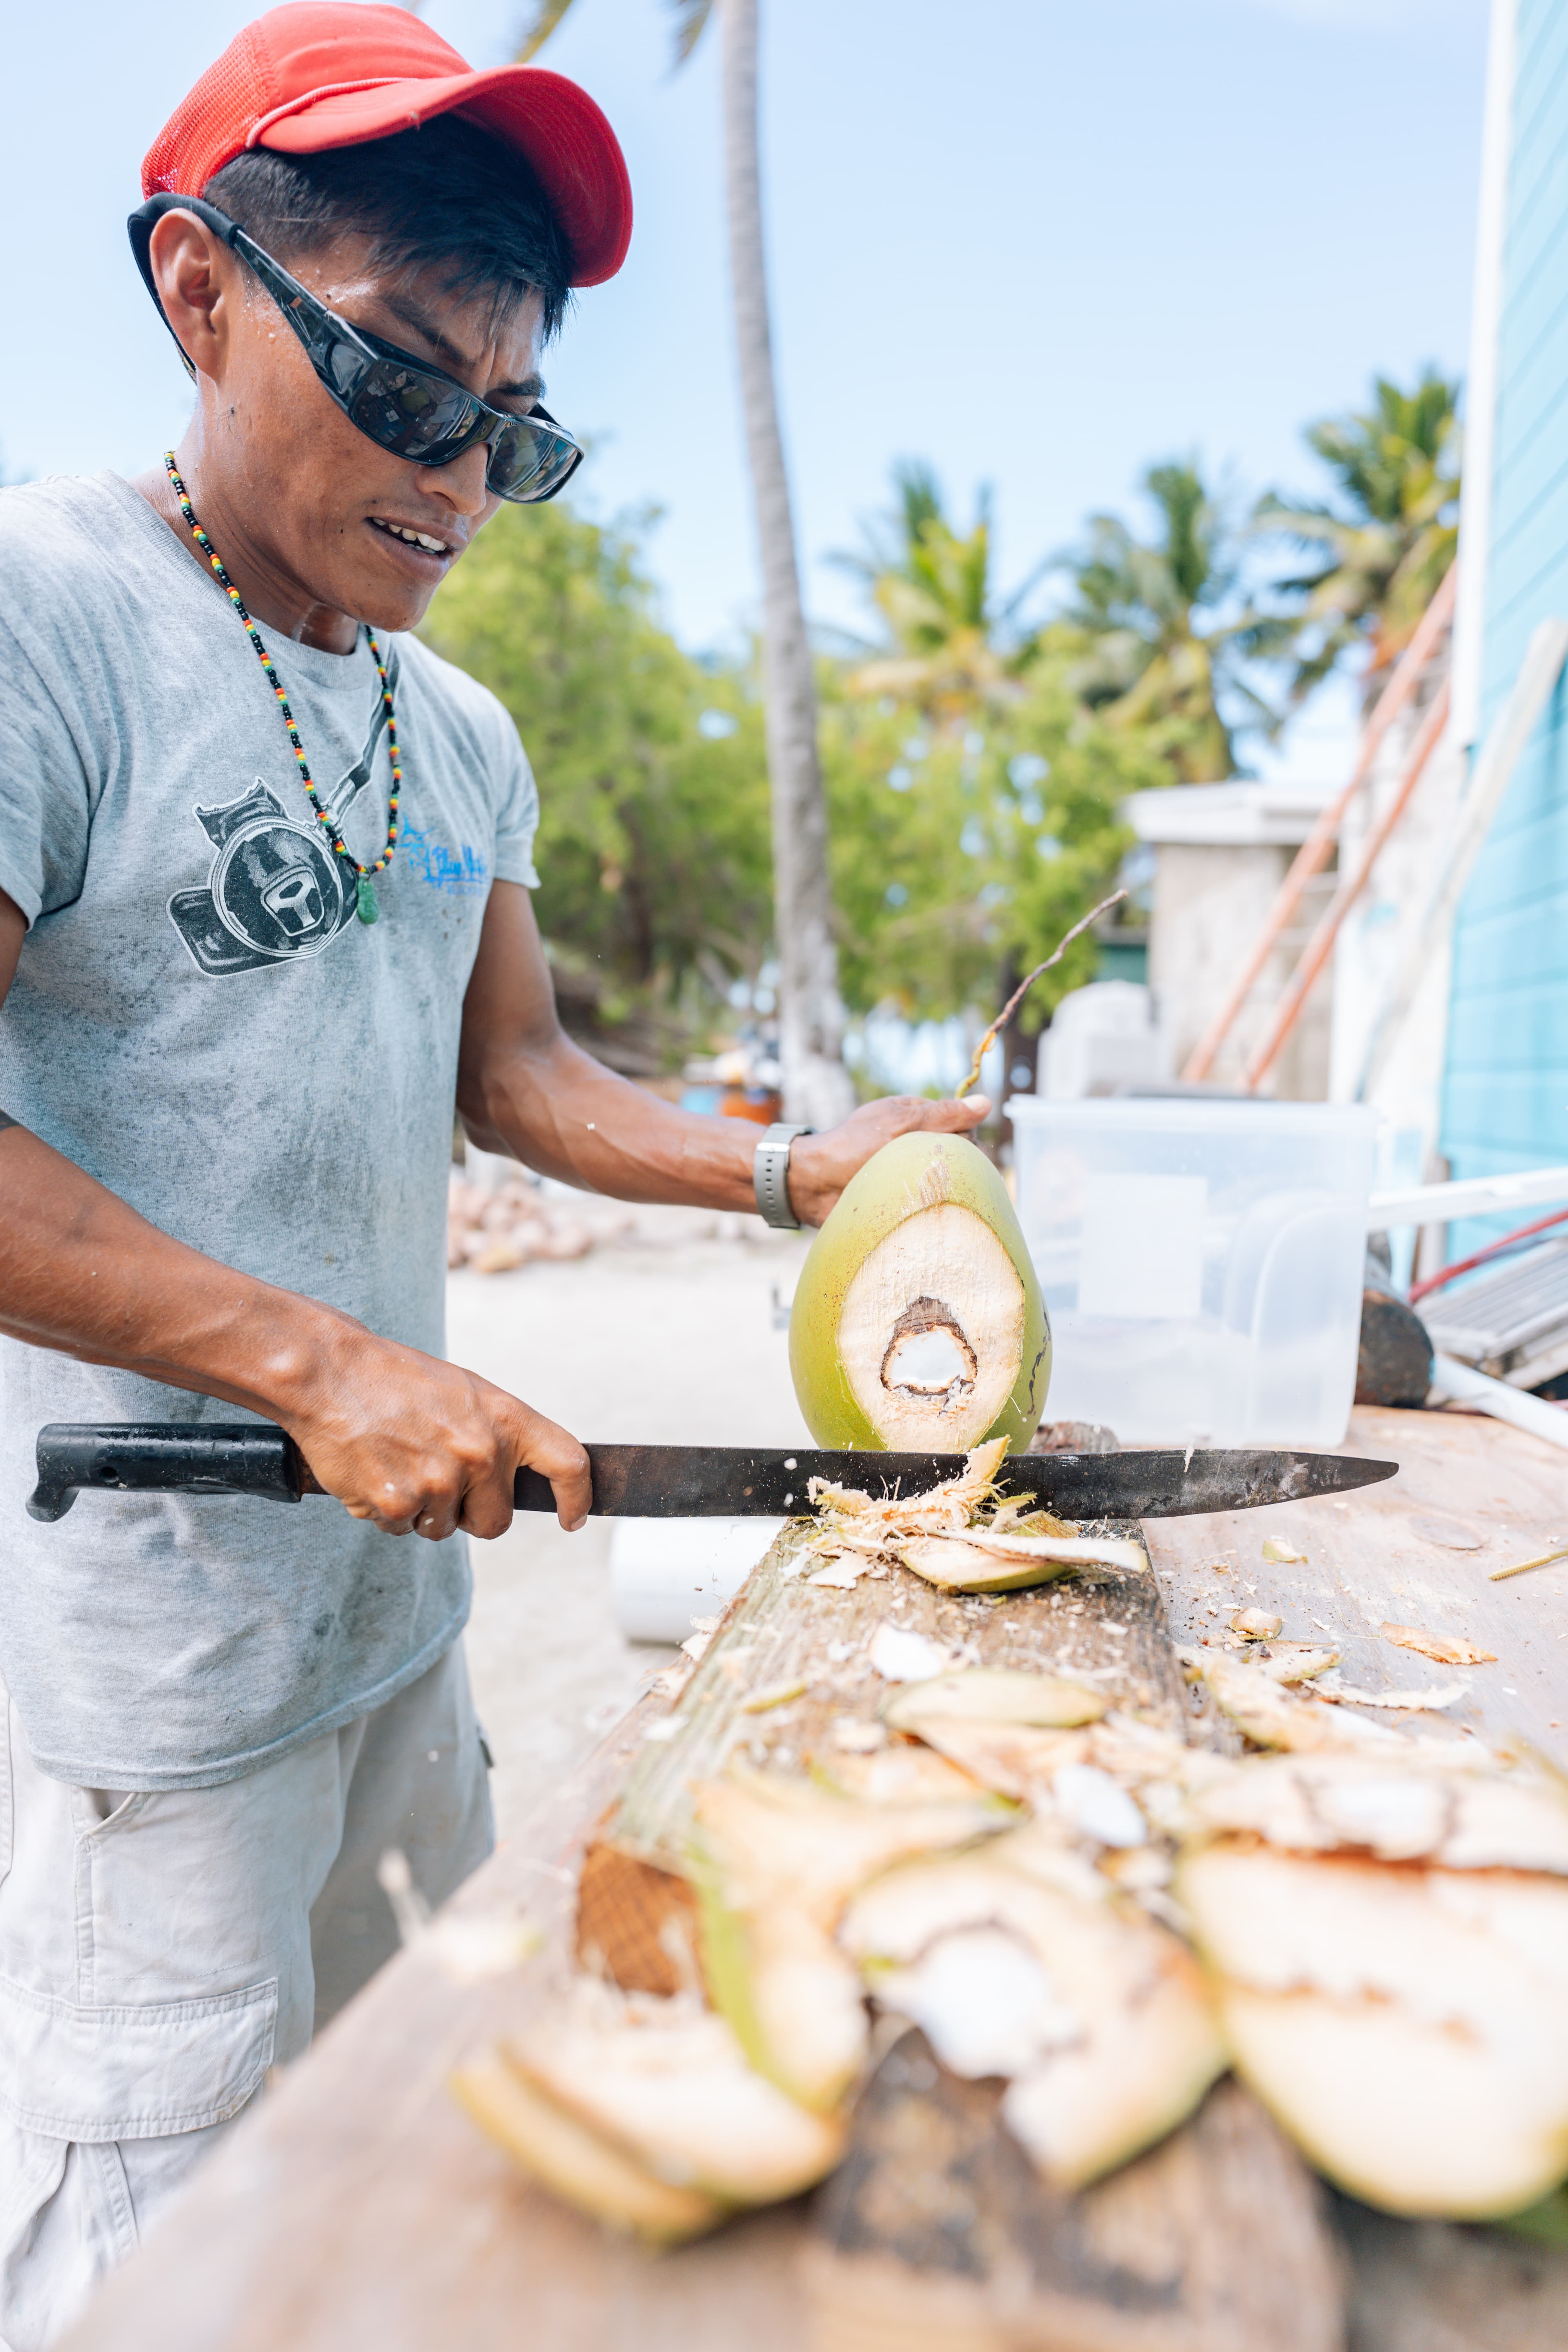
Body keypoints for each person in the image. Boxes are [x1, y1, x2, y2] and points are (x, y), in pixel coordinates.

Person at [0, 6, 987, 2340]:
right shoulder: (48, 620)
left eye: (509, 428)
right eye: (409, 382)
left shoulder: (463, 726)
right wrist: (313, 1361)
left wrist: (787, 1169)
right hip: (162, 1656)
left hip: (399, 1633)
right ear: (199, 284)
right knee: (167, 2259)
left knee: (413, 2184)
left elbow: (523, 1076)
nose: (458, 472)